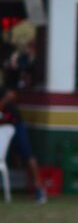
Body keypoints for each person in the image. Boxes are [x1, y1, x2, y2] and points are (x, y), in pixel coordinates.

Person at [0, 62, 45, 202]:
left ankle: (39, 189)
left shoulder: (4, 87)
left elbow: (11, 95)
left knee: (27, 154)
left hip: (15, 125)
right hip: (2, 131)